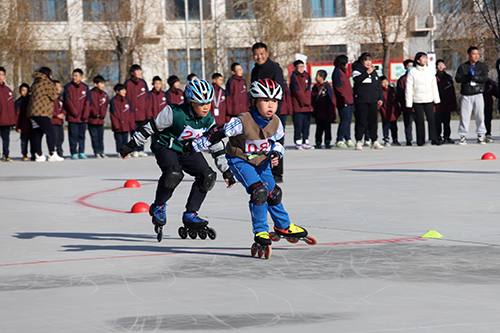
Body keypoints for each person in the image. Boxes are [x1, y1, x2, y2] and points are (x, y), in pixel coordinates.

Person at [189, 79, 316, 259]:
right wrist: (195, 146)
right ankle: (261, 232)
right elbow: (219, 132)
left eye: (274, 102)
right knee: (259, 192)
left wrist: (276, 154)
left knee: (274, 193)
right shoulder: (242, 121)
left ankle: (283, 226)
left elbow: (279, 141)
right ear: (254, 101)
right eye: (265, 101)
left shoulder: (277, 122)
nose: (270, 106)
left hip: (262, 161)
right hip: (240, 160)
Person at [119, 79, 235, 241]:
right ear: (191, 102)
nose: (206, 107)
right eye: (201, 103)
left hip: (188, 150)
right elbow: (149, 127)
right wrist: (131, 145)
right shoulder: (174, 112)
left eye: (208, 103)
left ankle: (190, 214)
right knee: (174, 174)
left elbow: (215, 145)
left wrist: (227, 171)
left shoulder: (208, 120)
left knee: (207, 176)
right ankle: (159, 205)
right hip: (165, 146)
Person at [251, 42, 286, 182]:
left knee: (276, 141)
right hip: (258, 112)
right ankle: (260, 169)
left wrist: (274, 112)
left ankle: (277, 173)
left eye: (261, 54)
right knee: (259, 140)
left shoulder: (275, 69)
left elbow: (279, 92)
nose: (259, 57)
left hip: (273, 112)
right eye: (256, 54)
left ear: (267, 54)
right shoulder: (254, 70)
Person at [27, 67, 64, 162]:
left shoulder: (35, 82)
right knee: (50, 132)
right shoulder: (47, 82)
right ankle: (52, 153)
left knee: (37, 132)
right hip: (42, 112)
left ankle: (38, 154)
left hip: (32, 112)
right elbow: (55, 95)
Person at [455, 46, 489, 145]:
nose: (476, 56)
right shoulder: (463, 67)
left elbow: (485, 78)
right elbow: (458, 79)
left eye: (477, 54)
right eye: (474, 54)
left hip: (478, 93)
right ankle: (463, 135)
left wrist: (475, 77)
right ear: (469, 55)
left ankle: (481, 135)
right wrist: (467, 77)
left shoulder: (482, 66)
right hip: (466, 94)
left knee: (480, 115)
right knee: (464, 116)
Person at [405, 52, 441, 146]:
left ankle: (434, 138)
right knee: (419, 120)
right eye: (423, 58)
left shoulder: (429, 70)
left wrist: (436, 99)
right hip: (417, 99)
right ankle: (420, 140)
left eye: (426, 58)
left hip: (429, 98)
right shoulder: (412, 71)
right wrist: (409, 103)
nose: (425, 60)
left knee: (431, 119)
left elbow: (434, 85)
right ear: (417, 60)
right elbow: (409, 88)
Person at [352, 52, 384, 150]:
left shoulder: (374, 72)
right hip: (362, 100)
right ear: (362, 61)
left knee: (373, 121)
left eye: (370, 60)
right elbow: (357, 80)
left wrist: (380, 98)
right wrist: (367, 73)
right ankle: (358, 141)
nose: (368, 63)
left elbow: (378, 85)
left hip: (373, 100)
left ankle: (374, 140)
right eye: (366, 60)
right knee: (361, 121)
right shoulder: (357, 70)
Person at [125, 64, 151, 157]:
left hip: (142, 113)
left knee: (142, 131)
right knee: (134, 132)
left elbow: (147, 98)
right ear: (132, 73)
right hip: (132, 113)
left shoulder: (143, 83)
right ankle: (134, 149)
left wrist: (148, 113)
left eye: (140, 71)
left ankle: (141, 149)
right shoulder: (128, 83)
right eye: (137, 71)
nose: (139, 73)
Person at [64, 68, 89, 159]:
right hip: (73, 117)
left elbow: (87, 101)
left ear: (81, 77)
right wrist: (74, 112)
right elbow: (67, 101)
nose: (74, 78)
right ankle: (73, 152)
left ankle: (81, 152)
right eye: (73, 76)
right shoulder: (68, 87)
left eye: (76, 76)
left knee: (82, 135)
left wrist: (85, 114)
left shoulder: (85, 87)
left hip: (83, 117)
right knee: (73, 136)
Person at [290, 60, 314, 149]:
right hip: (298, 105)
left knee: (306, 124)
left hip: (307, 105)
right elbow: (297, 91)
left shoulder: (307, 76)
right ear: (295, 68)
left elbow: (308, 89)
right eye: (299, 67)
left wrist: (307, 101)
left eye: (302, 66)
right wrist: (304, 101)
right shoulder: (293, 77)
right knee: (298, 124)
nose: (301, 69)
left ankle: (306, 141)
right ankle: (298, 141)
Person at [332, 55, 354, 148]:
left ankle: (348, 138)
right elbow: (339, 87)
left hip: (349, 100)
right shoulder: (338, 72)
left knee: (348, 120)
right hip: (344, 100)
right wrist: (344, 98)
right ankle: (339, 139)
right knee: (344, 120)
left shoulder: (343, 72)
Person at [312, 69, 336, 149]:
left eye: (317, 76)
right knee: (319, 128)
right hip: (318, 111)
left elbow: (330, 99)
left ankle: (327, 141)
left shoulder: (327, 87)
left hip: (326, 112)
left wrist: (331, 112)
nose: (316, 77)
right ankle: (318, 141)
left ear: (322, 77)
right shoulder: (315, 87)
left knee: (327, 127)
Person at [435, 59, 457, 144]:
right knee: (438, 121)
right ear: (436, 67)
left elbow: (452, 91)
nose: (440, 66)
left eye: (442, 65)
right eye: (439, 65)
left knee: (447, 121)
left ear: (445, 66)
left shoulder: (448, 77)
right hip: (438, 103)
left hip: (447, 103)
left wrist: (453, 103)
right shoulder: (434, 78)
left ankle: (447, 136)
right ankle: (438, 137)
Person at [110, 84, 134, 157]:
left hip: (126, 125)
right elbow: (113, 114)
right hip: (118, 125)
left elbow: (131, 113)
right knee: (119, 140)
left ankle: (125, 152)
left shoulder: (127, 100)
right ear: (117, 91)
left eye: (125, 90)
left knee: (125, 139)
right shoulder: (113, 101)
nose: (124, 91)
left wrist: (131, 124)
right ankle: (119, 151)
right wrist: (116, 125)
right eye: (122, 90)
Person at [87, 75, 108, 158]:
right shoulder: (90, 93)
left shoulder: (104, 95)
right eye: (101, 83)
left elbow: (105, 106)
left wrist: (103, 114)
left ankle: (101, 151)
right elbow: (89, 105)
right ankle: (96, 151)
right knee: (94, 136)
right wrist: (95, 113)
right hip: (92, 119)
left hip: (100, 120)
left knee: (100, 137)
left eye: (103, 83)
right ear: (95, 84)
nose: (103, 85)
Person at [397, 59, 416, 146]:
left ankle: (420, 138)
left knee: (419, 122)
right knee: (408, 124)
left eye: (412, 65)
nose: (411, 68)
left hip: (417, 104)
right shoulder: (402, 79)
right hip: (407, 106)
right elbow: (399, 93)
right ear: (405, 68)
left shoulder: (417, 77)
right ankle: (409, 139)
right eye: (409, 66)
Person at [0, 67, 16, 162]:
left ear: (5, 76)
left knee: (6, 139)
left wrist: (13, 121)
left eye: (2, 75)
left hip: (5, 120)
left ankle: (6, 154)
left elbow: (10, 108)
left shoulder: (8, 90)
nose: (0, 77)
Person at [379, 76, 400, 146]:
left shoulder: (391, 89)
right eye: (383, 82)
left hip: (392, 110)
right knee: (386, 125)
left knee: (394, 126)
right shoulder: (380, 91)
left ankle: (395, 139)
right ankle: (386, 138)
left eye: (386, 82)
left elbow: (395, 99)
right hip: (385, 110)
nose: (385, 84)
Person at [15, 83, 33, 161]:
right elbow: (16, 115)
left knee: (33, 141)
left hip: (32, 125)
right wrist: (16, 126)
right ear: (19, 92)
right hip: (23, 125)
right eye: (22, 90)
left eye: (26, 90)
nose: (24, 92)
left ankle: (34, 154)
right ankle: (24, 154)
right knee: (24, 141)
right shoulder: (18, 102)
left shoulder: (32, 100)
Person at [51, 80, 65, 158]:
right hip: (54, 121)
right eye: (57, 87)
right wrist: (56, 115)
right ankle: (53, 152)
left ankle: (60, 152)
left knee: (61, 138)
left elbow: (64, 108)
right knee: (55, 138)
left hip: (60, 121)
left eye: (60, 87)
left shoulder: (60, 99)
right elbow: (49, 110)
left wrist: (63, 113)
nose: (59, 89)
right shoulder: (51, 99)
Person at [483, 78, 498, 143]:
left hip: (488, 105)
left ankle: (488, 134)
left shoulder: (490, 82)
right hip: (477, 104)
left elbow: (497, 93)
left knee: (488, 120)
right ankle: (480, 135)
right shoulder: (476, 81)